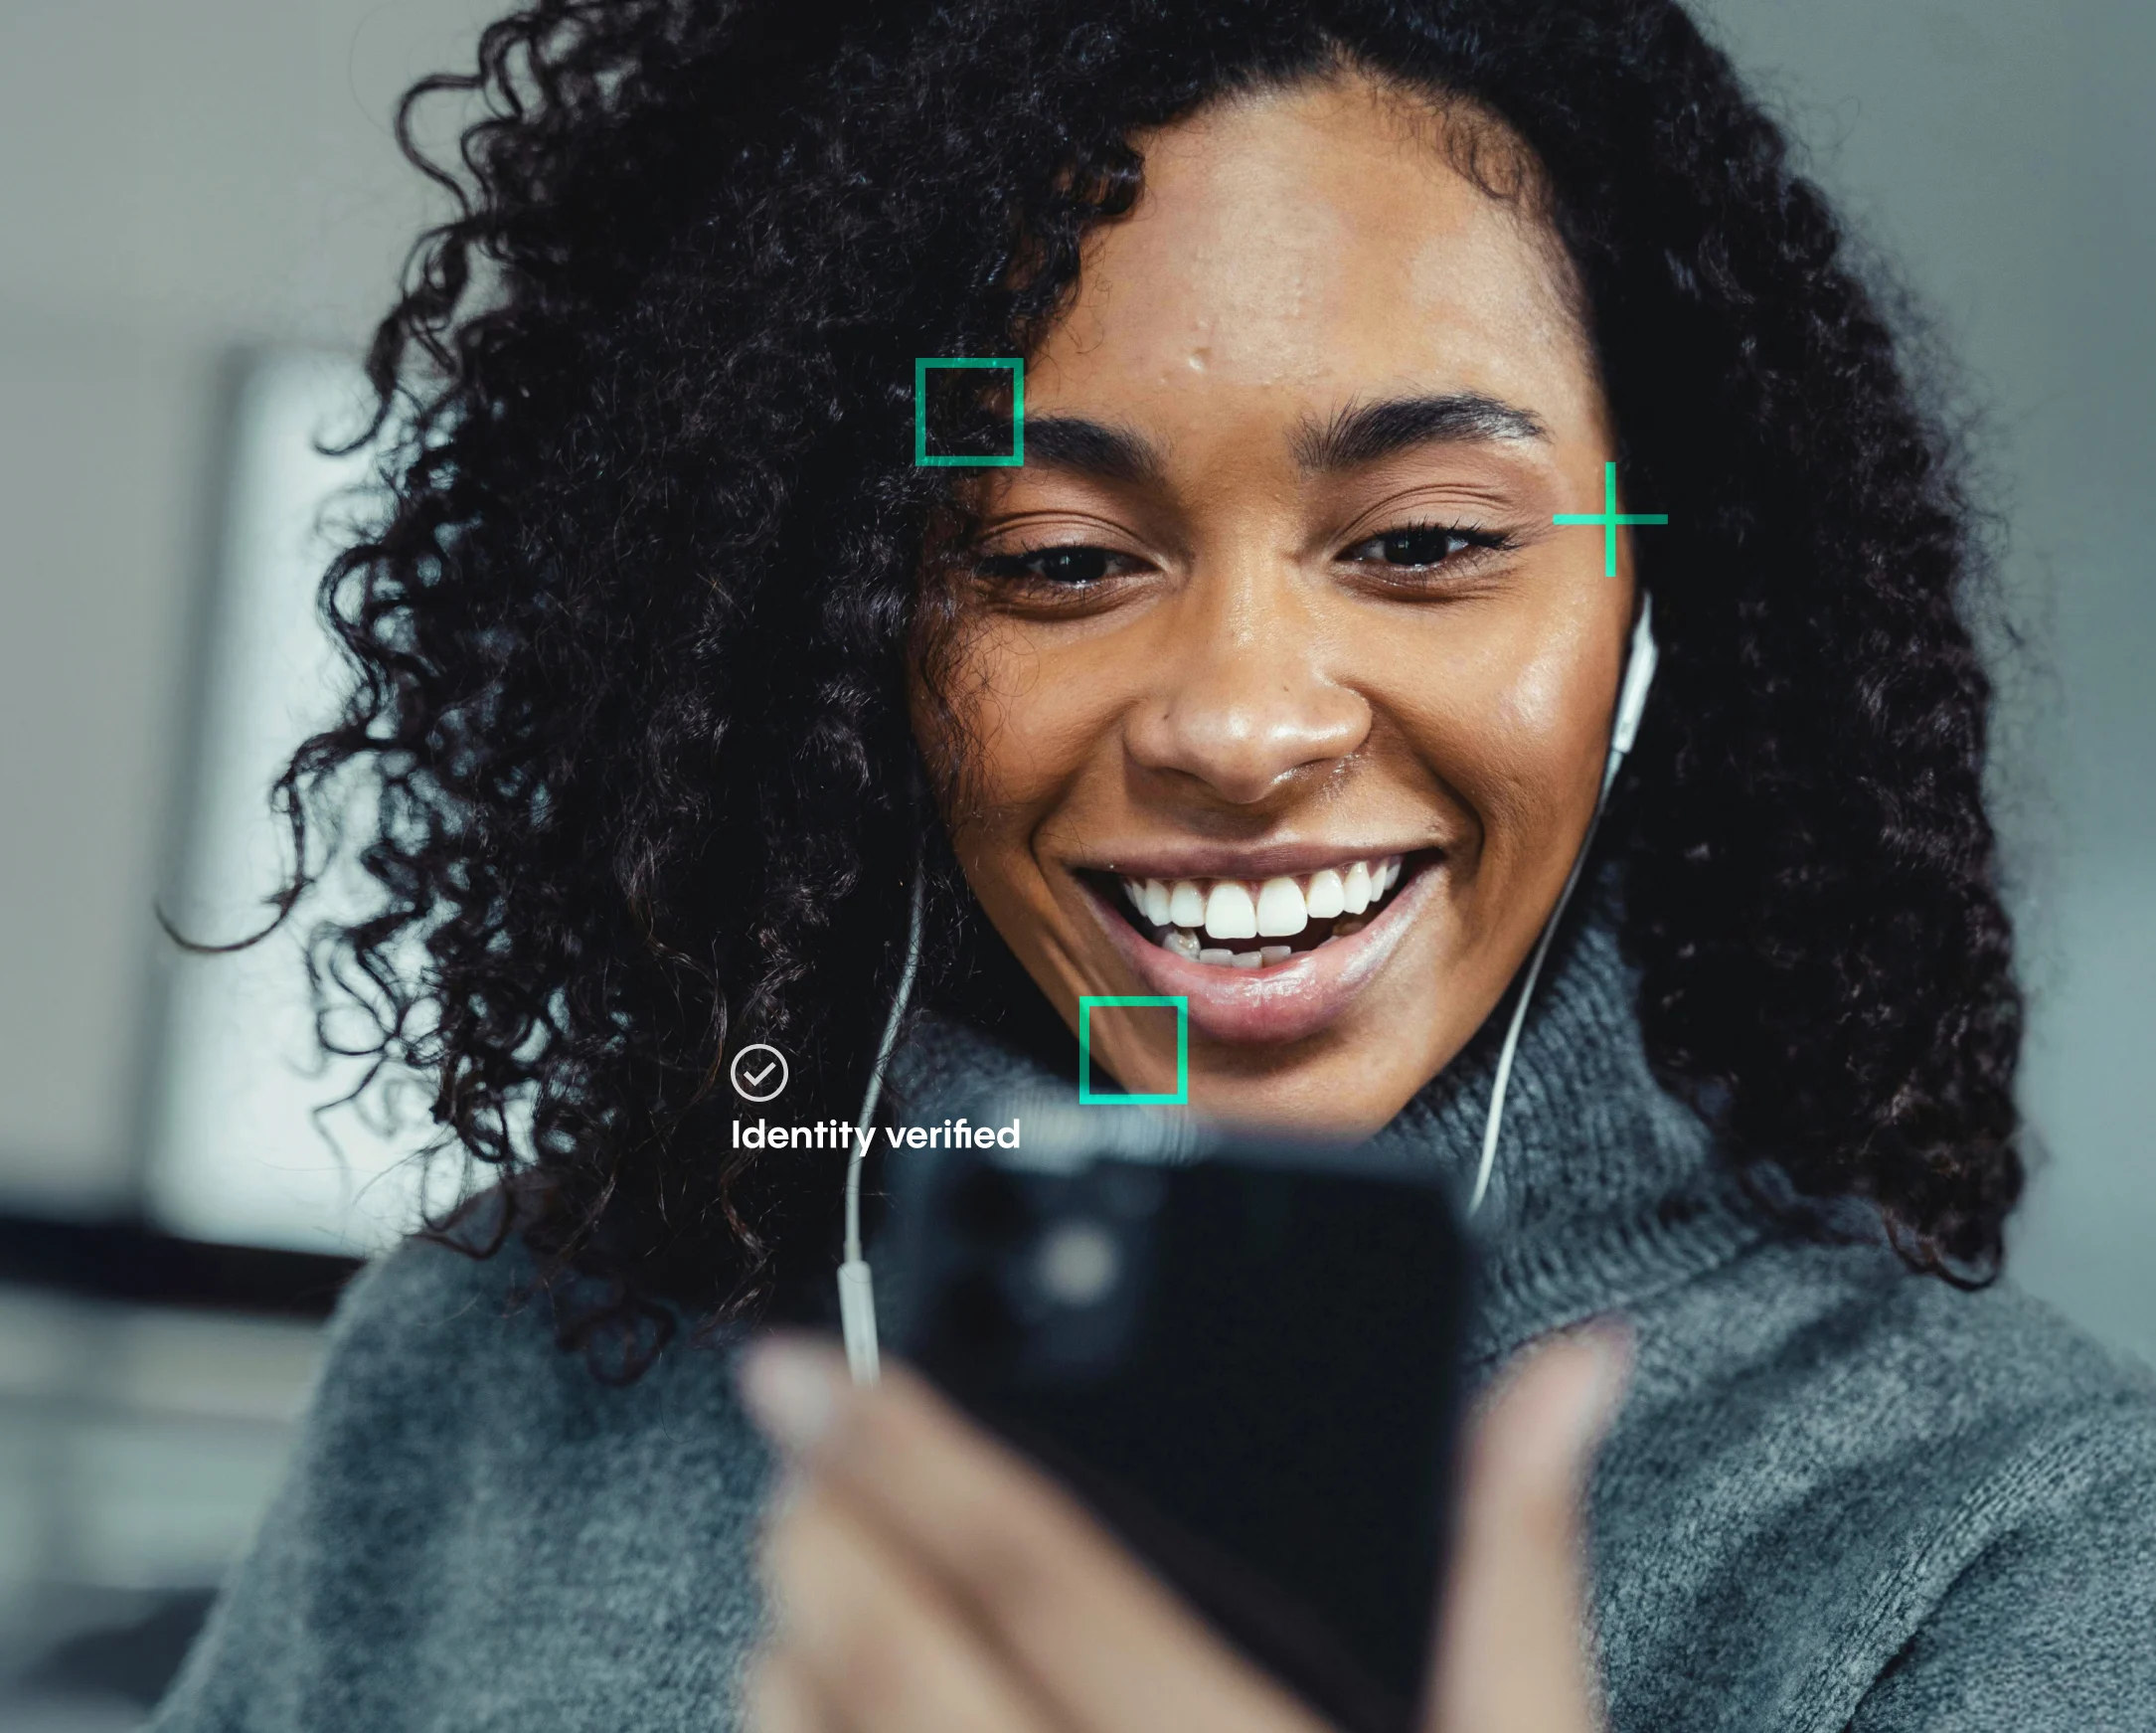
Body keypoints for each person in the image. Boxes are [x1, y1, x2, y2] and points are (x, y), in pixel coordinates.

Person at [152, 2, 2156, 1729]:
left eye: (1427, 541)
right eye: (1053, 560)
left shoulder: (2013, 1540)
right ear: (834, 633)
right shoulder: (486, 1380)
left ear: (1658, 596)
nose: (1242, 724)